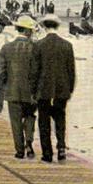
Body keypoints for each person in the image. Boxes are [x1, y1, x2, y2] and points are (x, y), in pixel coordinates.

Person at [30, 14, 76, 162]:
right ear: (57, 26)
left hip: (43, 90)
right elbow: (71, 71)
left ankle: (47, 153)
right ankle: (61, 146)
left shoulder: (38, 45)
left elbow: (34, 71)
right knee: (60, 118)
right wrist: (69, 90)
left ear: (44, 26)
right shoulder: (67, 45)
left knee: (44, 121)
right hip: (61, 89)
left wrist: (32, 90)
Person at [0, 15, 38, 159]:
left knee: (15, 122)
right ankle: (29, 142)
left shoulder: (6, 48)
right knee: (30, 117)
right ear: (27, 31)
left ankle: (19, 150)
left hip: (12, 91)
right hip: (31, 92)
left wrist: (4, 87)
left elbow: (1, 72)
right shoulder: (35, 48)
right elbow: (38, 71)